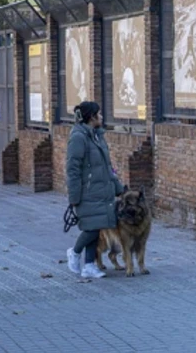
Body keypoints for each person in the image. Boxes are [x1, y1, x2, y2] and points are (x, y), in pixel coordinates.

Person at [65, 102, 125, 279]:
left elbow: (107, 167)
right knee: (91, 228)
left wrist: (118, 188)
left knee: (97, 226)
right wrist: (74, 197)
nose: (102, 117)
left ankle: (89, 265)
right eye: (99, 113)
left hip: (102, 190)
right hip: (88, 192)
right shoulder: (78, 137)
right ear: (91, 117)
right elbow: (73, 169)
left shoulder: (97, 135)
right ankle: (75, 252)